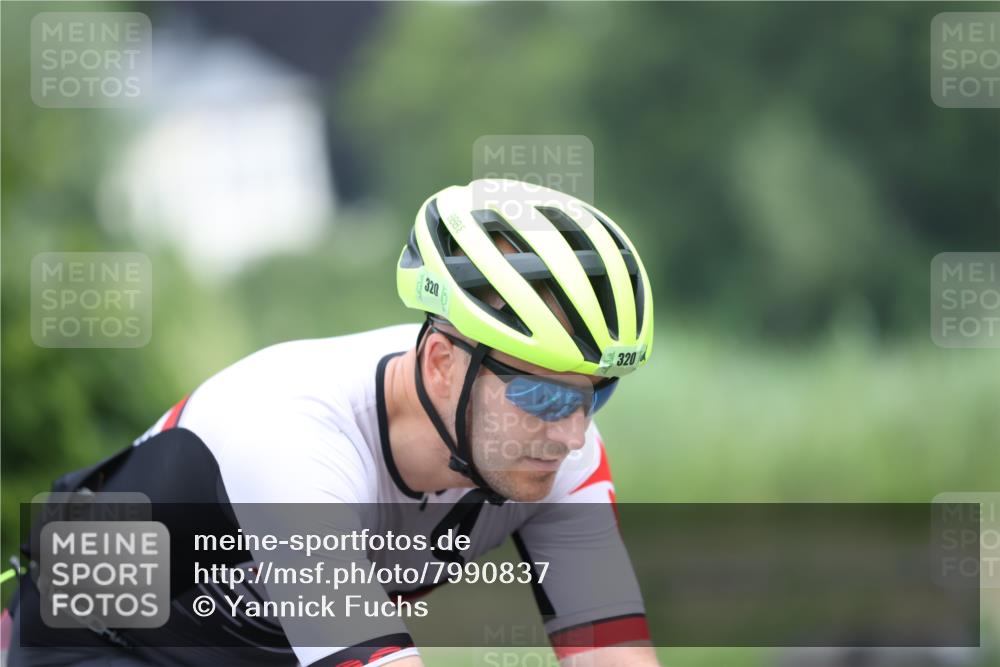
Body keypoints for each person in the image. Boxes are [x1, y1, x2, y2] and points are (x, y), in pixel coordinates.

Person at [6, 179, 659, 666]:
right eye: (544, 397)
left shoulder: (559, 449)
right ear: (440, 362)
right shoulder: (290, 433)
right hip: (94, 642)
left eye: (594, 397)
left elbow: (613, 653)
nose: (573, 433)